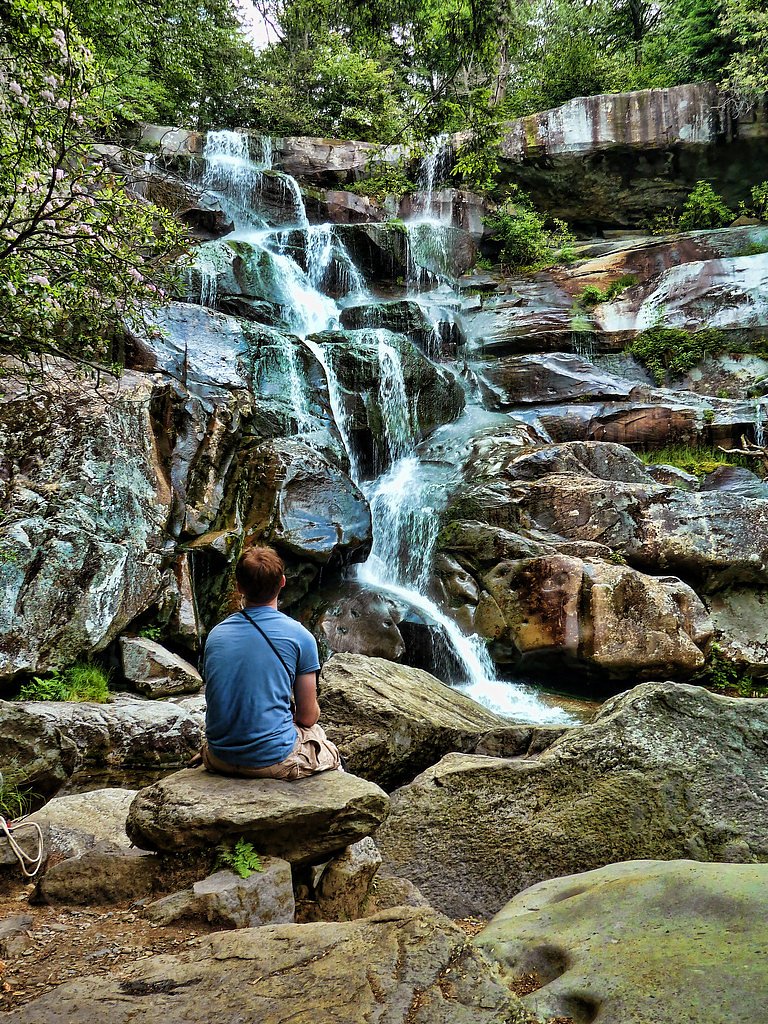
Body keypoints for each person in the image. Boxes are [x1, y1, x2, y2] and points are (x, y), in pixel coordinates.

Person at [201, 545, 341, 780]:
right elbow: (307, 717)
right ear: (283, 582)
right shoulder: (301, 637)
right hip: (272, 760)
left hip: (218, 757)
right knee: (321, 740)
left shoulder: (216, 634)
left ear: (239, 587)